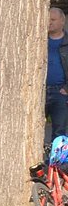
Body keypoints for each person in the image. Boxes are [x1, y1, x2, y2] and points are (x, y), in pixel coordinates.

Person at [46, 8, 68, 139]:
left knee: (59, 132)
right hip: (38, 92)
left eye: (52, 20)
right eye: (47, 19)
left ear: (62, 21)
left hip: (60, 93)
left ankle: (55, 160)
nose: (49, 22)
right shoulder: (36, 41)